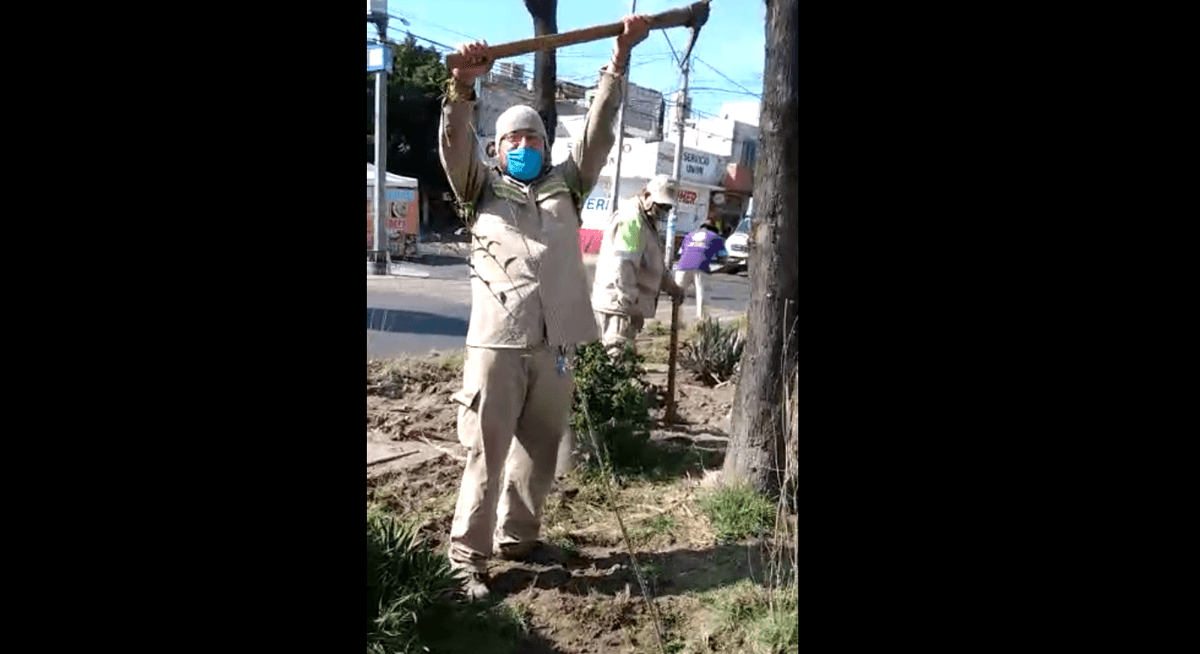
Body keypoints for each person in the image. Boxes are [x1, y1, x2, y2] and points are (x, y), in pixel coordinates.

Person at [437, 15, 652, 601]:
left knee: (540, 450)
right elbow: (455, 143)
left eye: (534, 138)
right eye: (514, 139)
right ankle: (466, 559)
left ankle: (520, 538)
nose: (525, 146)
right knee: (485, 453)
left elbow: (600, 135)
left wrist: (618, 62)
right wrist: (461, 88)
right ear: (497, 149)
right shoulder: (479, 185)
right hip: (498, 346)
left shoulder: (566, 186)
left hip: (555, 346)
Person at [590, 175, 687, 353]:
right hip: (619, 307)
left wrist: (673, 288)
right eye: (660, 206)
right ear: (647, 196)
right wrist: (630, 305)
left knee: (619, 360)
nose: (663, 211)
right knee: (616, 360)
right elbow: (624, 264)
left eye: (667, 207)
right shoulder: (632, 221)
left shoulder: (646, 221)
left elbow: (653, 265)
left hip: (624, 306)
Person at [672, 220, 727, 320]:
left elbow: (680, 253)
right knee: (701, 293)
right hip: (701, 265)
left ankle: (675, 318)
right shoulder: (716, 237)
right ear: (714, 230)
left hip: (682, 265)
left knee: (678, 293)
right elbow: (722, 257)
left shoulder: (689, 235)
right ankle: (702, 320)